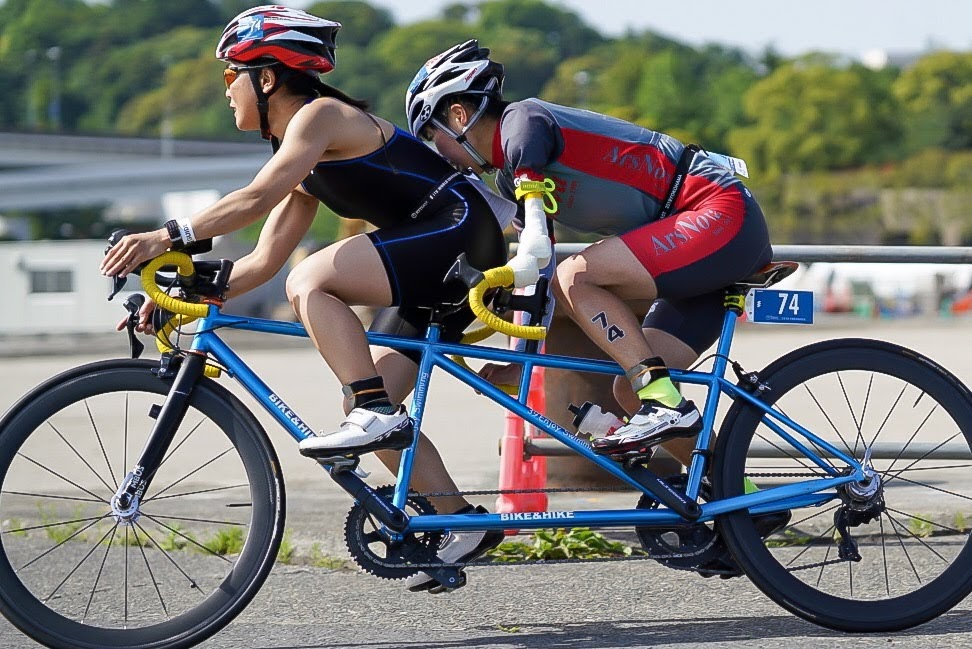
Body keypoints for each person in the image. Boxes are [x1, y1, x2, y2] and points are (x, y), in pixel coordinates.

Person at [100, 6, 508, 592]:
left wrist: (163, 236)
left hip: (460, 237)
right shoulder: (306, 156)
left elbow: (254, 197)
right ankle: (458, 519)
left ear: (267, 78)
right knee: (363, 404)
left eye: (230, 74)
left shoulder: (320, 117)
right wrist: (179, 295)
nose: (225, 89)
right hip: (431, 260)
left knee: (311, 282)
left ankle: (378, 412)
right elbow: (258, 264)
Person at [406, 40, 774, 469]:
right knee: (629, 389)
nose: (440, 155)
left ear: (458, 116)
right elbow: (538, 272)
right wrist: (522, 362)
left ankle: (666, 406)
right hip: (694, 238)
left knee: (577, 278)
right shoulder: (510, 181)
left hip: (717, 210)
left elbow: (545, 251)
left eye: (434, 138)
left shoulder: (524, 121)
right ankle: (736, 498)